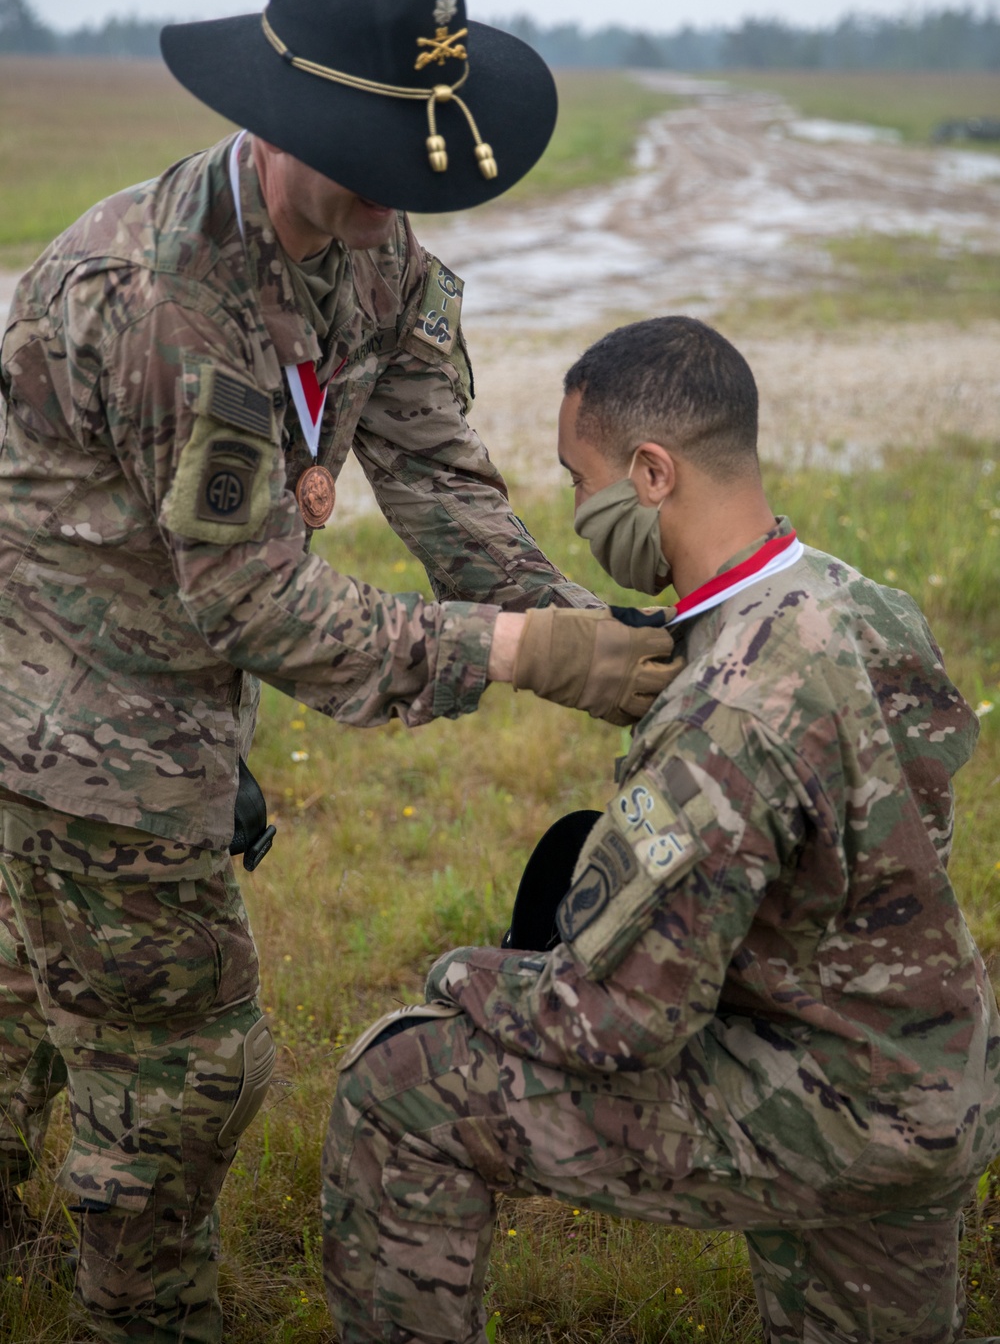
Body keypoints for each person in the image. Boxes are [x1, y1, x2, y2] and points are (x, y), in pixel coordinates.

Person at [0, 0, 678, 1344]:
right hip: (65, 704)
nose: (394, 196)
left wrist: (586, 632)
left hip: (157, 685)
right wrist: (515, 657)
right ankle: (145, 1313)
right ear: (279, 115)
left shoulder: (378, 253)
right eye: (370, 164)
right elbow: (253, 597)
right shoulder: (165, 301)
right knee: (178, 1061)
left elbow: (439, 481)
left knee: (27, 987)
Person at [323, 315, 1000, 1344]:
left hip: (824, 1103)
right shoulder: (864, 605)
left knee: (399, 1079)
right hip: (925, 1069)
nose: (579, 510)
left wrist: (462, 975)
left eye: (579, 477)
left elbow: (616, 1024)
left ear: (649, 472)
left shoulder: (723, 709)